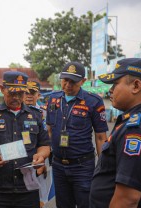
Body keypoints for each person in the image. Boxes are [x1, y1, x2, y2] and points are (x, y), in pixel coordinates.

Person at [0, 71, 51, 208]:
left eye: (20, 94)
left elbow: (44, 145)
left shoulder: (36, 115)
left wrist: (41, 155)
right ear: (2, 89)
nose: (16, 97)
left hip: (28, 188)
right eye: (12, 93)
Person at [46, 61, 108, 208]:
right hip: (58, 165)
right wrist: (46, 158)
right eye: (65, 80)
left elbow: (100, 137)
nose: (68, 84)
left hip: (83, 167)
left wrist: (103, 168)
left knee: (85, 203)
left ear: (83, 81)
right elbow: (49, 130)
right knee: (62, 204)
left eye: (73, 81)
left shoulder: (93, 101)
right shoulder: (53, 98)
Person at [90, 58, 141, 208]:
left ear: (136, 86)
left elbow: (128, 199)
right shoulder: (130, 121)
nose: (110, 90)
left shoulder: (135, 129)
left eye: (115, 84)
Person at [25, 81, 51, 207]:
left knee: (40, 194)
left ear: (38, 95)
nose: (29, 95)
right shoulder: (15, 111)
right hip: (22, 156)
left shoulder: (45, 112)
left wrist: (45, 158)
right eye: (26, 92)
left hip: (41, 154)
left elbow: (50, 134)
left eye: (32, 92)